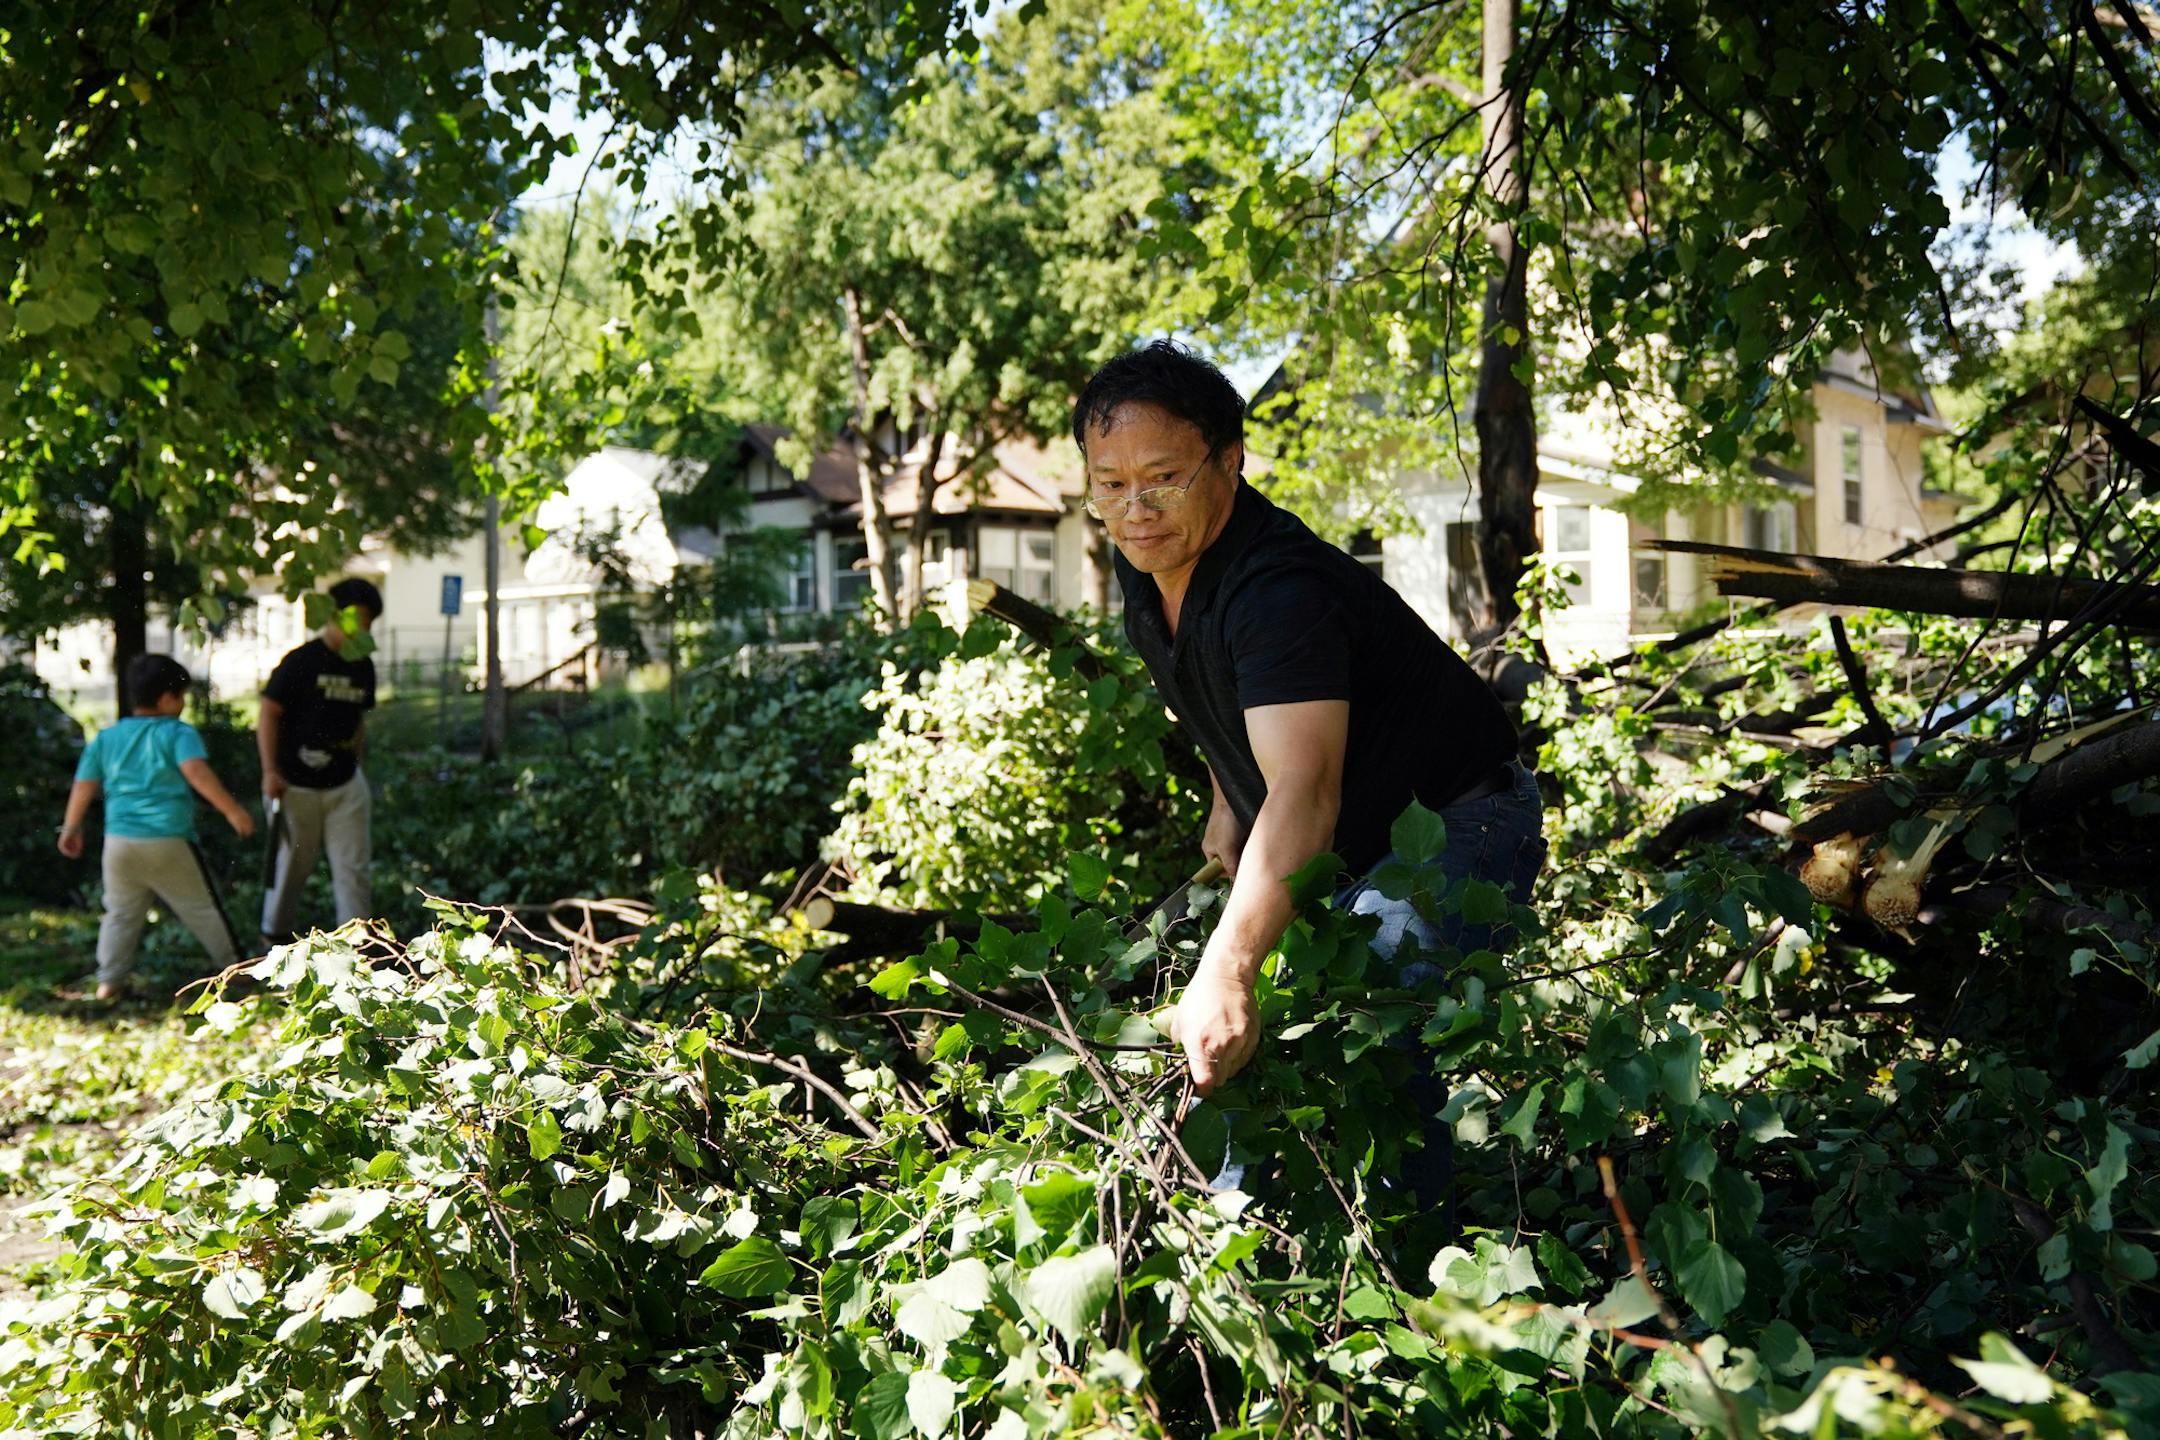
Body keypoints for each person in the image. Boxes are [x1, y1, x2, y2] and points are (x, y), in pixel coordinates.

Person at [1073, 340, 1546, 1208]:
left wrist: (1229, 966)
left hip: (1457, 822)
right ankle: (1240, 1247)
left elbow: (1305, 791)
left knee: (1374, 1036)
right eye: (1109, 483)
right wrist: (1227, 796)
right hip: (1340, 840)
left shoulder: (1278, 590)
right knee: (1272, 1045)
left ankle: (1408, 1281)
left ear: (1230, 461)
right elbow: (1211, 690)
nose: (1135, 507)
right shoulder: (1147, 563)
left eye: (1163, 477)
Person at [57, 654, 255, 1000]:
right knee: (202, 908)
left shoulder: (106, 738)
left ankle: (110, 982)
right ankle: (235, 972)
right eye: (181, 696)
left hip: (119, 842)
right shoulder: (177, 732)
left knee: (119, 914)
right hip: (168, 839)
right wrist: (233, 811)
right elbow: (196, 771)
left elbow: (84, 785)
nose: (182, 705)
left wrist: (71, 828)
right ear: (166, 698)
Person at [258, 576, 380, 946]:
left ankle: (359, 947)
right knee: (292, 865)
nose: (361, 628)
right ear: (332, 615)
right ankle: (272, 940)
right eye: (355, 618)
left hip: (344, 785)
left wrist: (356, 762)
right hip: (294, 784)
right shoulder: (301, 662)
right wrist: (270, 771)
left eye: (368, 621)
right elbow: (267, 713)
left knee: (352, 867)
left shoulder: (363, 667)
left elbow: (359, 718)